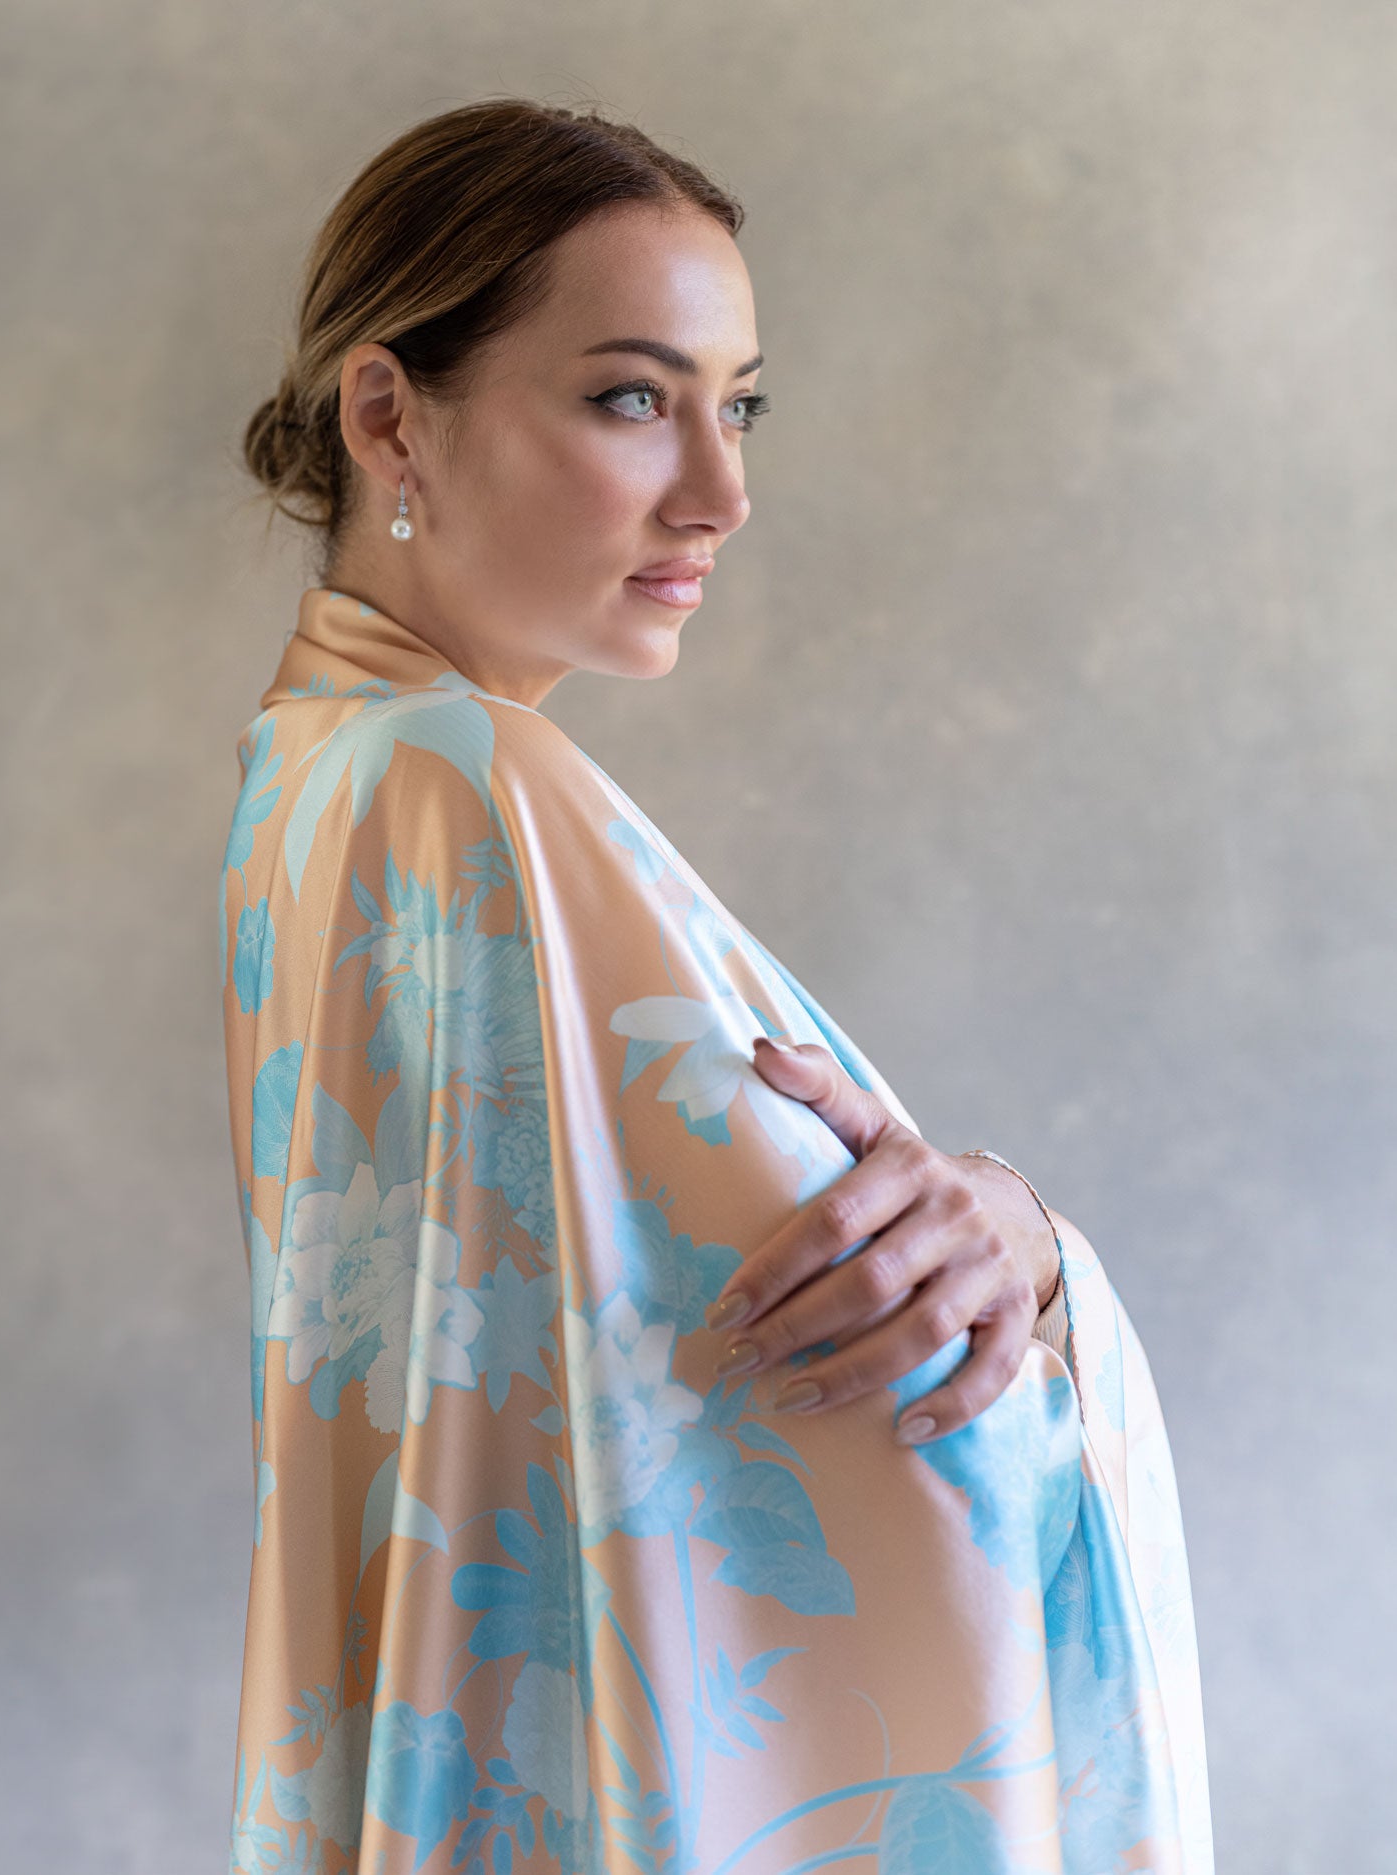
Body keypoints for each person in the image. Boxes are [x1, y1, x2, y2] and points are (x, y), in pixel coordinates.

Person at [221, 97, 1213, 1875]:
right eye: (632, 397)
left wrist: (1010, 1239)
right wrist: (1033, 1263)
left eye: (735, 402)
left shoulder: (316, 778)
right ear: (391, 415)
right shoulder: (466, 795)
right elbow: (869, 1418)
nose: (723, 492)